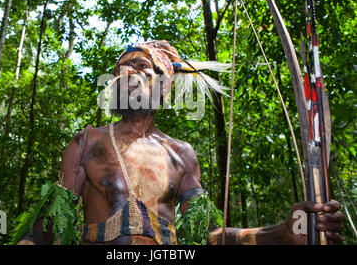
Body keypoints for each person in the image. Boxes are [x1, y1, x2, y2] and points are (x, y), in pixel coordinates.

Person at [18, 40, 343, 245]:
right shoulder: (88, 142)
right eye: (120, 70)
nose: (126, 73)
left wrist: (284, 232)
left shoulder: (181, 155)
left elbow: (205, 237)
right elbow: (47, 226)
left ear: (163, 86)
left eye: (140, 65)